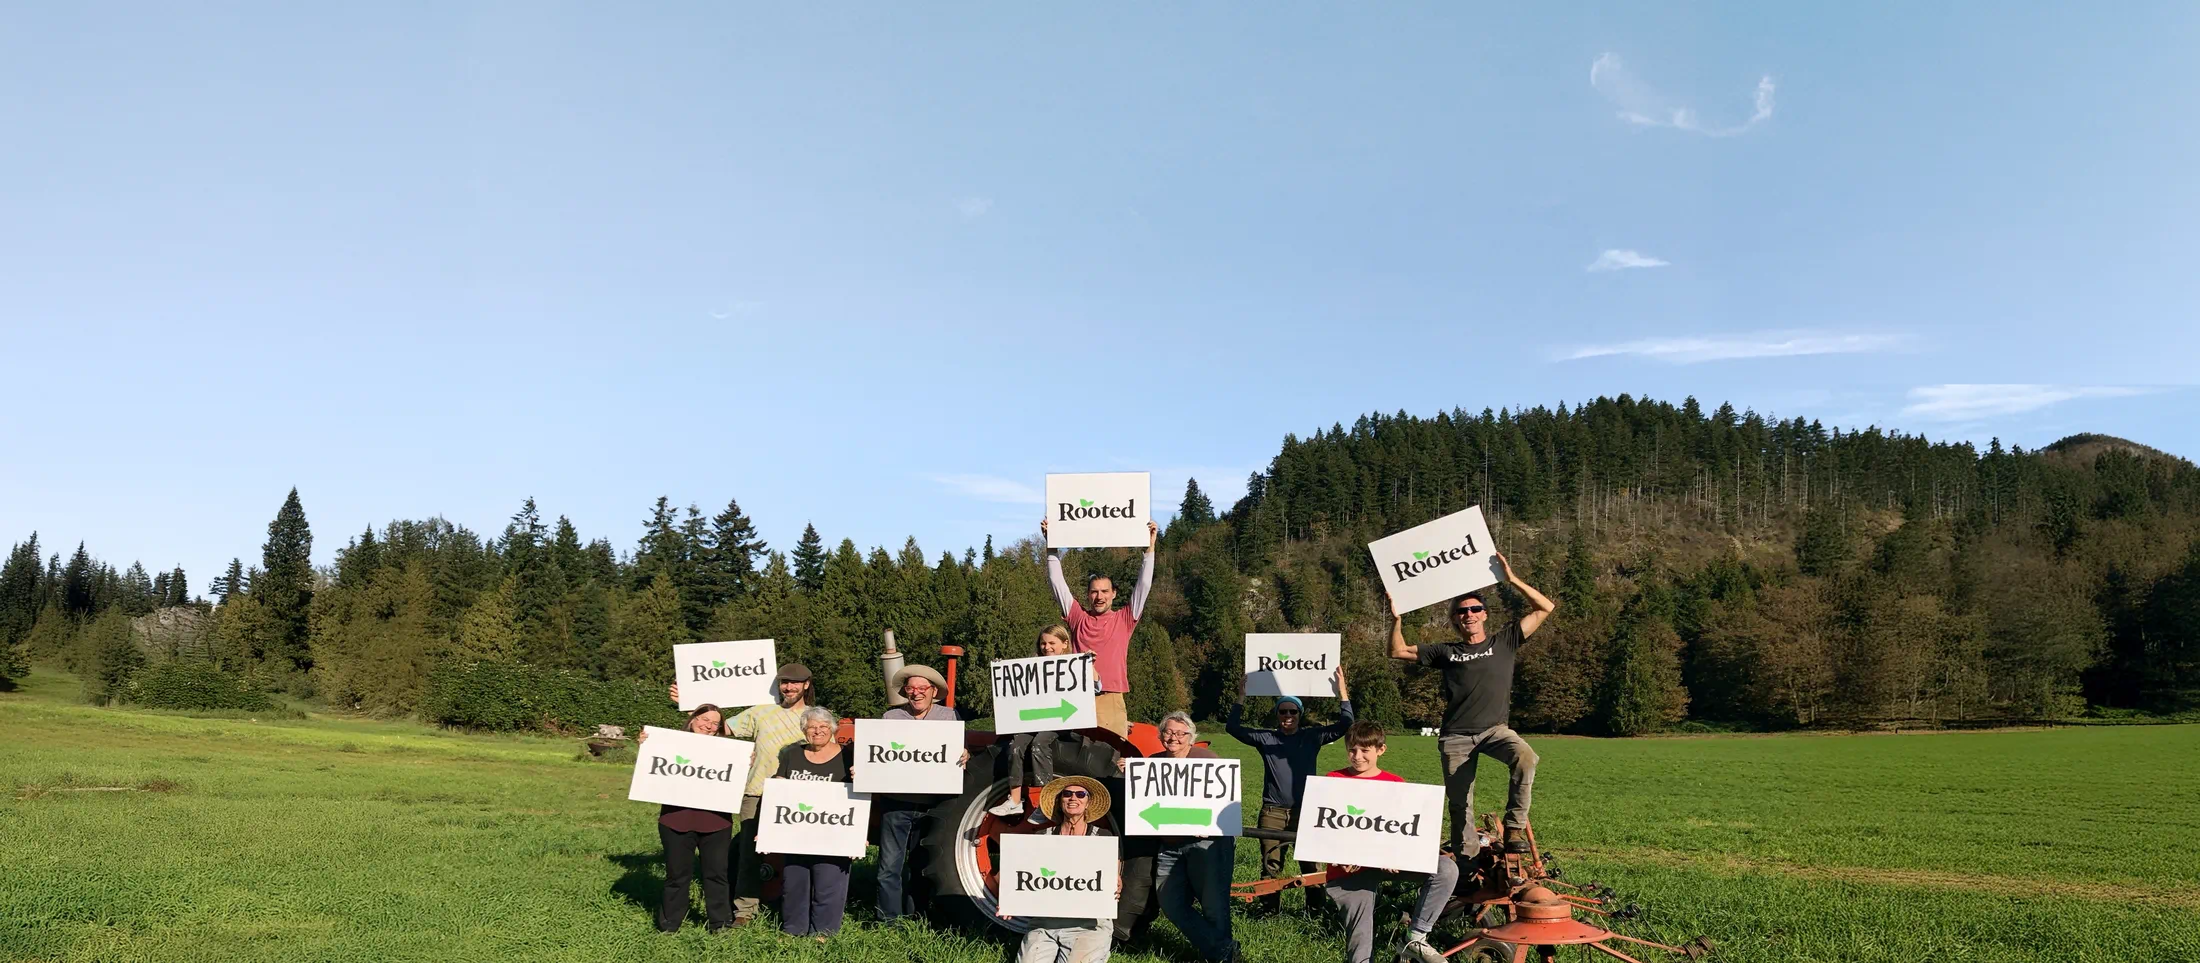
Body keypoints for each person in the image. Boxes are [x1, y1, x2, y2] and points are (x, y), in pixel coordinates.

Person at [1388, 552, 1554, 856]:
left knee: (1526, 758)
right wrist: (1397, 621)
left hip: (1494, 731)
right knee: (1460, 803)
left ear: (1484, 614)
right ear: (1455, 619)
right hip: (1456, 737)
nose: (1469, 614)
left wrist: (1512, 579)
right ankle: (1466, 860)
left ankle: (1514, 826)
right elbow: (1397, 651)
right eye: (1462, 611)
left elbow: (1545, 607)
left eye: (1476, 609)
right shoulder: (1444, 651)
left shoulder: (1505, 641)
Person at [665, 662, 816, 926]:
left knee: (797, 854)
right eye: (784, 682)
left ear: (806, 685)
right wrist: (691, 707)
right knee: (749, 852)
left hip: (796, 795)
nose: (788, 687)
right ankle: (745, 910)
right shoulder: (761, 712)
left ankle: (792, 908)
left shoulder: (816, 717)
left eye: (795, 682)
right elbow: (719, 728)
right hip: (757, 791)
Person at [1318, 721, 1457, 963]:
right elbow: (1324, 830)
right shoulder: (1333, 780)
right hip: (1349, 871)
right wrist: (1339, 855)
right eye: (1352, 750)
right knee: (1360, 946)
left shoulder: (1396, 784)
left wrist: (1396, 855)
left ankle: (1415, 937)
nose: (1357, 757)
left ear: (1381, 750)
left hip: (1389, 864)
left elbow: (1403, 832)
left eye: (1365, 751)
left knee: (1446, 868)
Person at [1225, 663, 1353, 914]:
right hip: (1272, 812)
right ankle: (1269, 911)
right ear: (1277, 714)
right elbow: (1233, 728)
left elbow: (1345, 725)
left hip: (1305, 811)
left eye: (1293, 711)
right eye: (1283, 711)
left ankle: (1315, 911)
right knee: (1270, 864)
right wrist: (1240, 698)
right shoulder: (1266, 739)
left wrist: (1343, 693)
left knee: (1311, 866)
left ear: (1299, 714)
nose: (1288, 716)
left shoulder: (1312, 737)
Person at [1117, 711, 1239, 962]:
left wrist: (1213, 824)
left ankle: (1221, 957)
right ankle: (1223, 948)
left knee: (1214, 905)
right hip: (1170, 845)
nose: (1174, 738)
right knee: (1170, 902)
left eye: (1180, 733)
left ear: (1191, 738)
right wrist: (1132, 773)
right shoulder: (1153, 762)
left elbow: (1224, 797)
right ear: (1161, 735)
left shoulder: (1207, 759)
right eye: (1168, 732)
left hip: (1206, 843)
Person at [1042, 517, 1158, 736]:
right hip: (1077, 696)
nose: (1099, 597)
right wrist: (1051, 546)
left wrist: (1149, 550)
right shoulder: (1077, 617)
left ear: (1114, 594)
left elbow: (1144, 585)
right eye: (1094, 591)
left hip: (1111, 696)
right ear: (1088, 594)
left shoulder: (1125, 619)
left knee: (1113, 758)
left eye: (1105, 591)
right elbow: (1057, 583)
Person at [874, 662, 971, 923]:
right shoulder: (890, 718)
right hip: (896, 803)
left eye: (922, 688)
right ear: (905, 691)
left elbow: (956, 750)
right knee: (888, 866)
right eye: (911, 688)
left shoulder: (948, 716)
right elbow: (877, 754)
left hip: (931, 803)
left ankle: (916, 915)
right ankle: (888, 920)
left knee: (920, 865)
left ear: (933, 691)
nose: (916, 693)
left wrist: (965, 753)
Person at [1000, 775, 1121, 963]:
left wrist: (1117, 882)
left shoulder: (1103, 838)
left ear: (1088, 803)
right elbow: (1017, 874)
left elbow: (1115, 874)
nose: (1074, 798)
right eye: (1067, 794)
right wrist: (1010, 898)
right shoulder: (1042, 837)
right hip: (1046, 922)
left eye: (1081, 794)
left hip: (1089, 924)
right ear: (1060, 802)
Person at [651, 703, 734, 933]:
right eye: (704, 719)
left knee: (717, 874)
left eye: (714, 723)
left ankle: (720, 923)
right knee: (677, 875)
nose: (708, 725)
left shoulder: (728, 751)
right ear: (692, 719)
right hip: (676, 820)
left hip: (716, 822)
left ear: (719, 728)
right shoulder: (670, 744)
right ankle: (670, 924)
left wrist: (745, 763)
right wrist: (646, 746)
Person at [776, 706, 853, 941]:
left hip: (834, 829)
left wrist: (858, 835)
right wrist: (768, 828)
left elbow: (861, 795)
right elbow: (779, 789)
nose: (817, 731)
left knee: (829, 880)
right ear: (804, 731)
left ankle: (824, 932)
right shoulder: (792, 755)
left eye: (822, 727)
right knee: (794, 881)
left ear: (832, 729)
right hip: (796, 828)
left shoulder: (848, 755)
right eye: (811, 727)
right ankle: (793, 929)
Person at [990, 625, 1078, 820]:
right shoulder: (1032, 666)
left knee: (1039, 745)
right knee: (1015, 746)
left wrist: (1090, 664)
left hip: (1058, 722)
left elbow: (1096, 686)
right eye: (1043, 643)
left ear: (1064, 644)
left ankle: (1044, 803)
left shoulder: (1074, 666)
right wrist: (1001, 669)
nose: (1047, 647)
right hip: (1034, 721)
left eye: (1052, 643)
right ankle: (1014, 800)